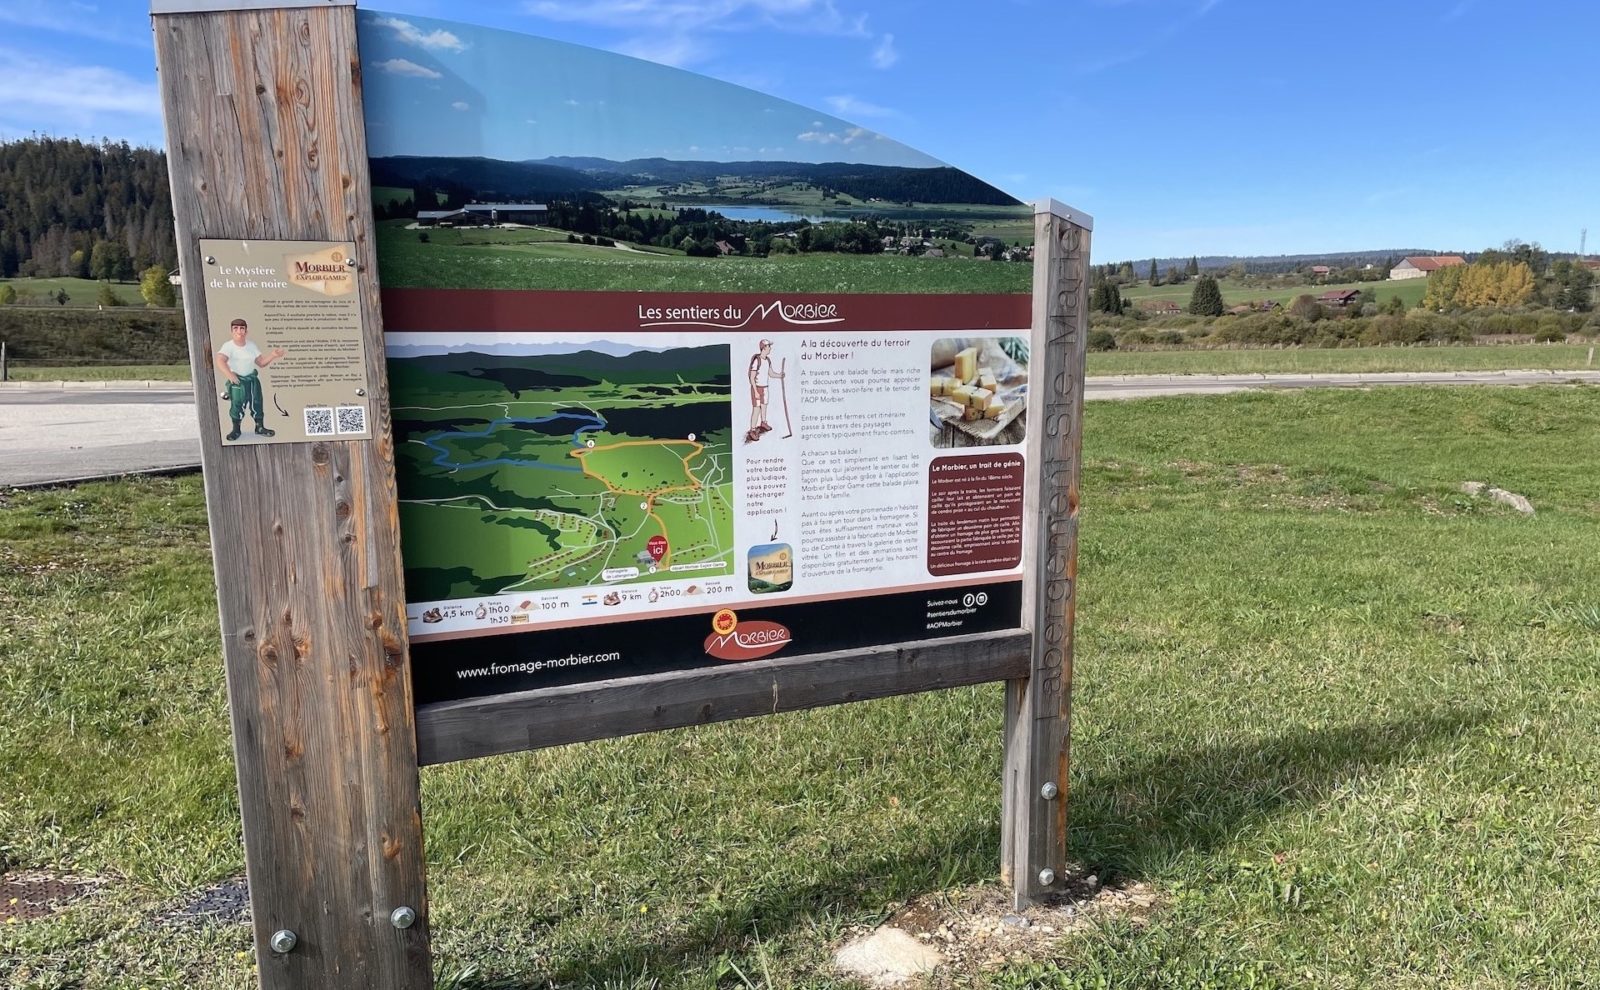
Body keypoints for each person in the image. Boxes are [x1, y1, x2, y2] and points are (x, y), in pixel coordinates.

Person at [215, 318, 285, 440]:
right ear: (231, 331)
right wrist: (230, 376)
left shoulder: (251, 345)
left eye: (242, 328)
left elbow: (261, 363)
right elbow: (220, 360)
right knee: (237, 404)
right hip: (238, 381)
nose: (239, 331)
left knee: (257, 402)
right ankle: (236, 430)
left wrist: (273, 355)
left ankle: (259, 427)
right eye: (235, 328)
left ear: (246, 331)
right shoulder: (228, 346)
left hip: (252, 380)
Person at [745, 339, 783, 443]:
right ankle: (752, 430)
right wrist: (755, 391)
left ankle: (763, 423)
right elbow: (752, 377)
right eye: (769, 346)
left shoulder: (768, 360)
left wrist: (779, 376)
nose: (770, 348)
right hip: (757, 387)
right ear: (764, 348)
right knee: (756, 409)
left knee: (764, 406)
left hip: (765, 387)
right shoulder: (757, 360)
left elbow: (770, 373)